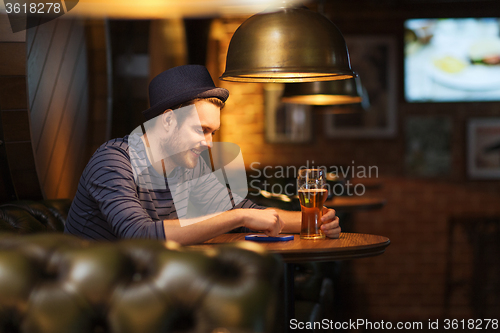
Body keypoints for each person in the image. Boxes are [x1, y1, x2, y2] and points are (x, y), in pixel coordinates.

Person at [65, 65, 340, 245]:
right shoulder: (113, 161)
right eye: (201, 130)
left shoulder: (186, 166)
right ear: (169, 121)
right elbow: (140, 235)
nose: (209, 143)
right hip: (85, 301)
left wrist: (316, 218)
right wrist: (237, 218)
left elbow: (250, 212)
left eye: (213, 133)